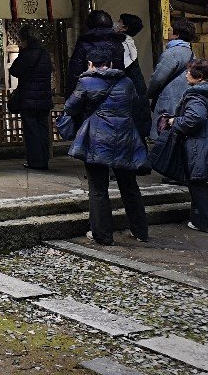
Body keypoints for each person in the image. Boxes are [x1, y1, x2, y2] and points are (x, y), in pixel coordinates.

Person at [62, 42, 149, 245]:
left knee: (98, 188)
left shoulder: (86, 82)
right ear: (110, 63)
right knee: (129, 185)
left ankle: (102, 235)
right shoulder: (126, 82)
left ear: (90, 64)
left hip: (97, 138)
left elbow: (70, 107)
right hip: (126, 136)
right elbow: (136, 105)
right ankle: (140, 231)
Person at [169, 58, 208, 234]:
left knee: (199, 183)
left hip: (200, 145)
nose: (186, 74)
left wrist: (174, 121)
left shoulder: (196, 95)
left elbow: (193, 119)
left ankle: (206, 222)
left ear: (199, 76)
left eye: (189, 71)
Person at [9, 26, 55, 170]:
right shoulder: (44, 54)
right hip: (44, 97)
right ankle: (44, 160)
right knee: (43, 129)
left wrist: (21, 53)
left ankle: (35, 162)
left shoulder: (26, 54)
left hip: (28, 98)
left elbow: (14, 71)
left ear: (25, 40)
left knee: (31, 131)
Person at [147, 18, 196, 140]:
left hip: (169, 100)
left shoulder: (172, 52)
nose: (168, 32)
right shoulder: (190, 52)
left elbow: (158, 78)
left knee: (164, 137)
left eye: (170, 30)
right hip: (182, 97)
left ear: (176, 34)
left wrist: (149, 93)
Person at [66, 10, 126, 98]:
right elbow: (121, 70)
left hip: (90, 93)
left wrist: (70, 98)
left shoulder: (83, 43)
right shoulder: (117, 43)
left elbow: (75, 73)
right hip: (113, 93)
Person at [116, 13, 147, 100]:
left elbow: (122, 66)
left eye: (119, 21)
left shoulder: (125, 44)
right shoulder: (126, 41)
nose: (116, 23)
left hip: (133, 92)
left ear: (124, 28)